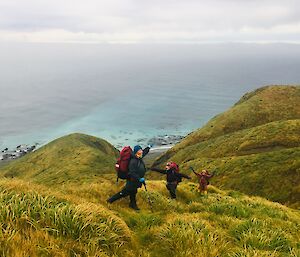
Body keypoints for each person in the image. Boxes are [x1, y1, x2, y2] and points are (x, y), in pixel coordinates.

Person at [107, 145, 150, 210]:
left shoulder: (138, 157)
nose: (141, 152)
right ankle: (110, 200)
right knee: (125, 192)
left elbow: (144, 152)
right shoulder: (133, 161)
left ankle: (133, 204)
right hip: (132, 180)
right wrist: (139, 178)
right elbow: (132, 173)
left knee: (133, 192)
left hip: (135, 181)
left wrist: (148, 147)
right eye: (139, 151)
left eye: (141, 150)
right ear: (136, 152)